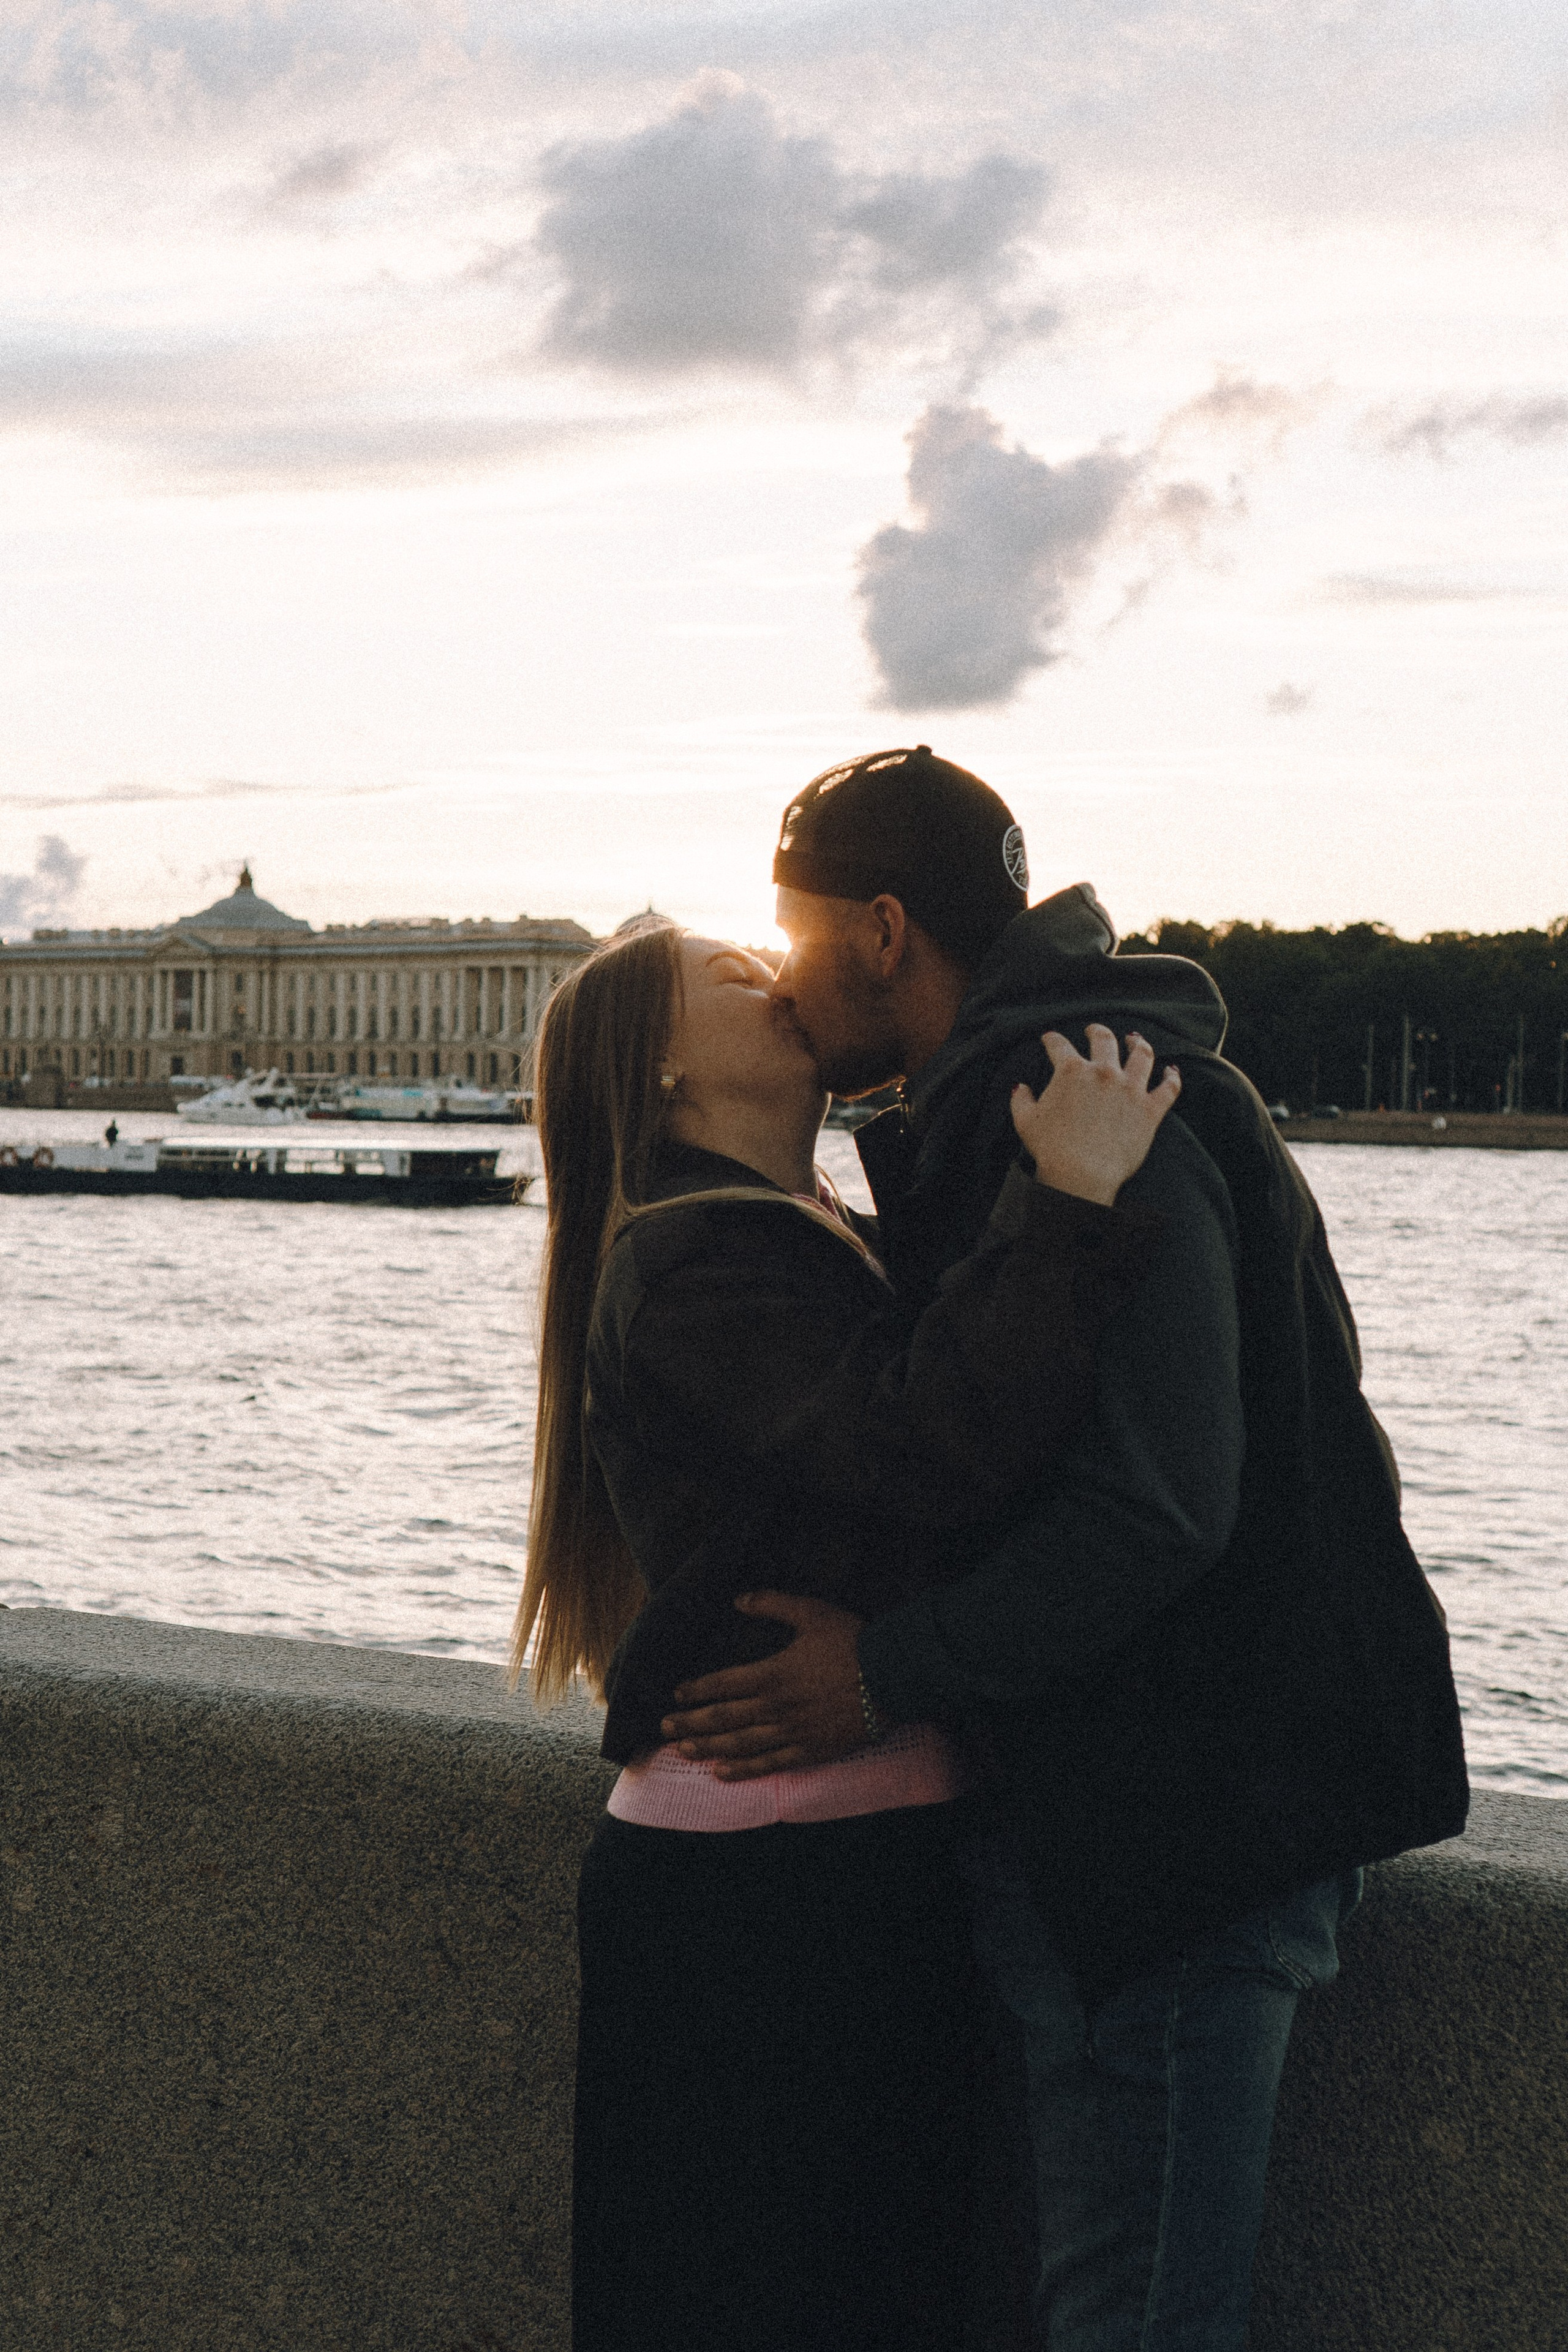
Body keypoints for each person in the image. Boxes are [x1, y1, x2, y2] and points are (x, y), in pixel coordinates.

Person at [663, 745, 1470, 2352]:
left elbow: (1155, 1507)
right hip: (1159, 1809)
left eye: (793, 934)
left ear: (881, 931)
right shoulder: (1057, 1093)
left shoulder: (1089, 1105)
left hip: (1178, 1825)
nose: (779, 980)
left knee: (1131, 2315)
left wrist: (882, 1674)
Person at [510, 916, 1181, 2352]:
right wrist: (1071, 1194)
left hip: (822, 1859)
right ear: (666, 1075)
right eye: (732, 975)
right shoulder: (691, 1264)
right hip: (764, 1891)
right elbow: (928, 1449)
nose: (777, 971)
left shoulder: (787, 1228)